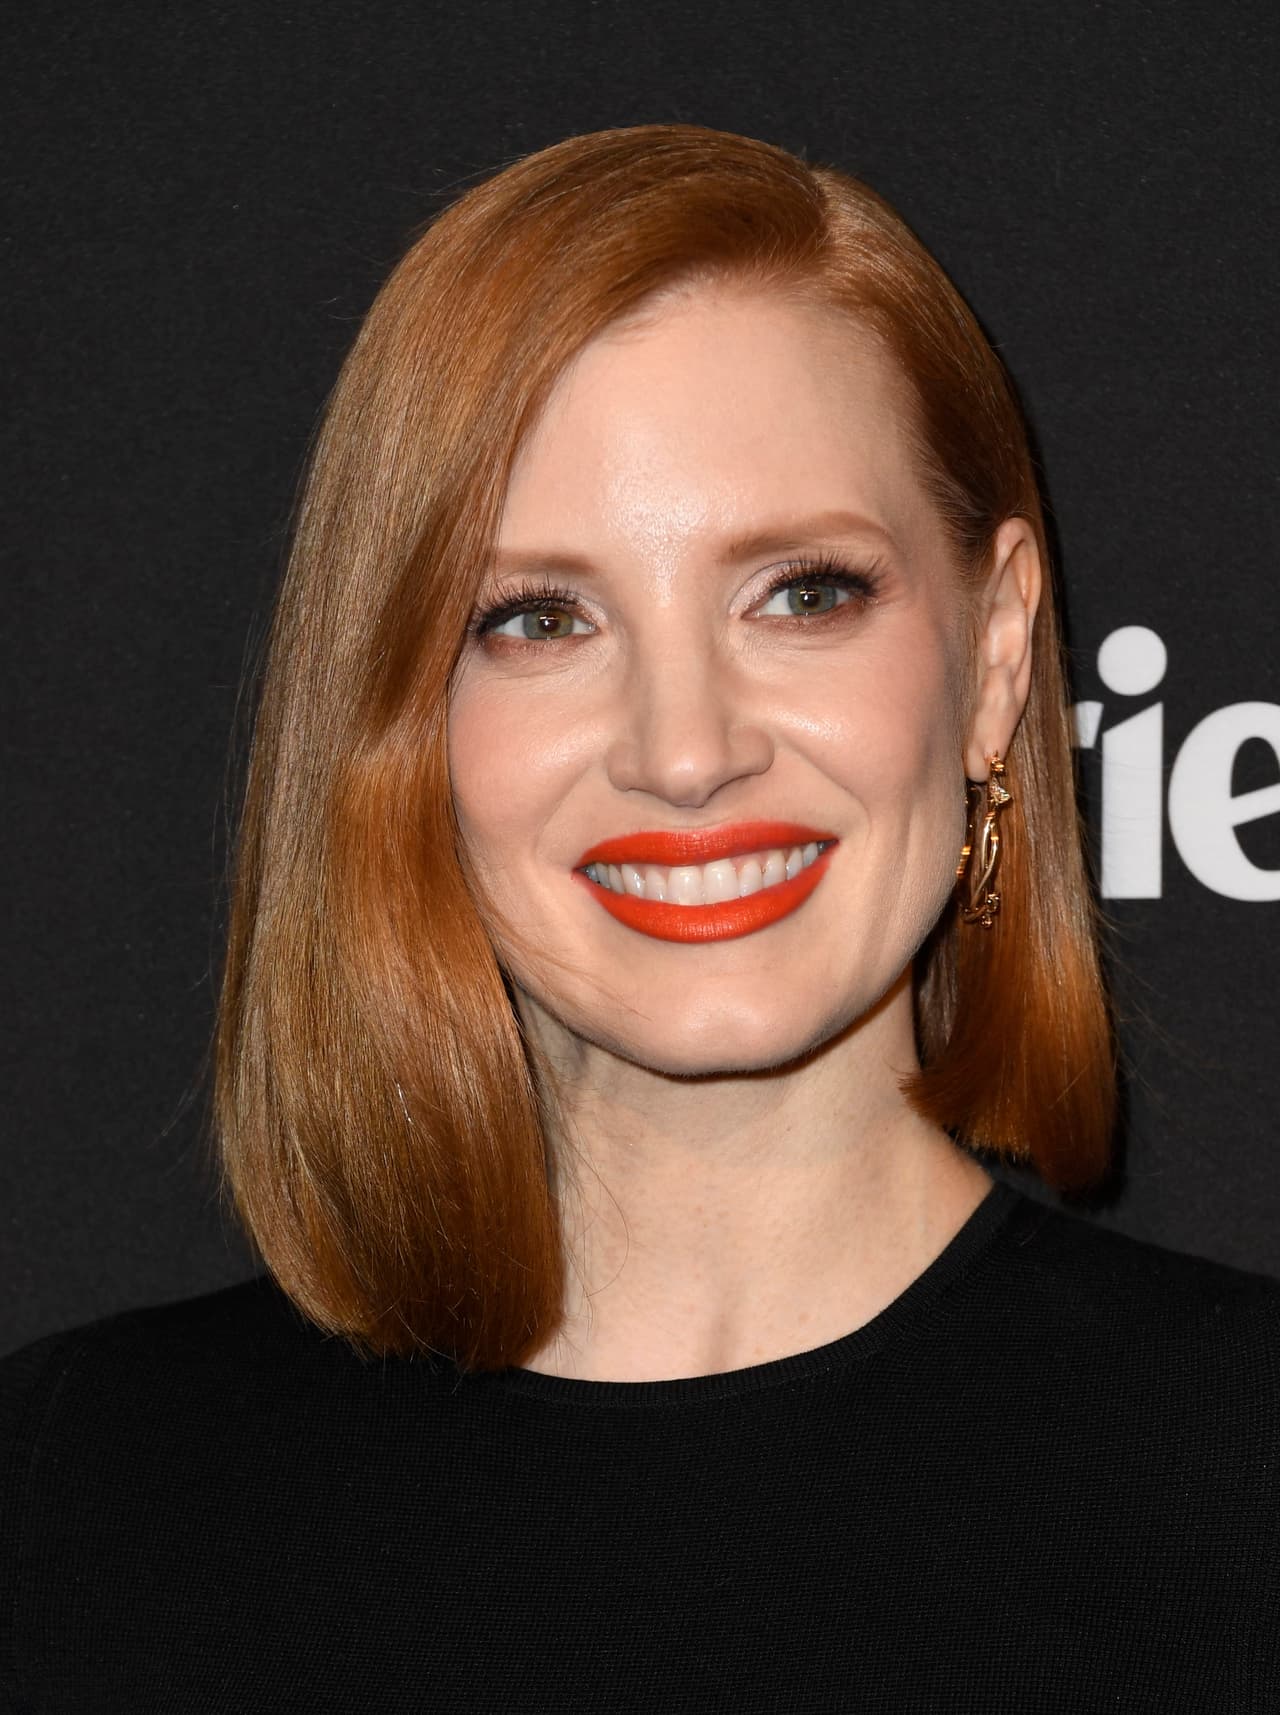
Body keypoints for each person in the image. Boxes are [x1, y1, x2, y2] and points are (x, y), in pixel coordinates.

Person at [2, 123, 1276, 1711]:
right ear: (397, 716)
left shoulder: (1242, 1479)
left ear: (998, 653)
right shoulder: (69, 1501)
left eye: (803, 593)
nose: (685, 750)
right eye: (539, 619)